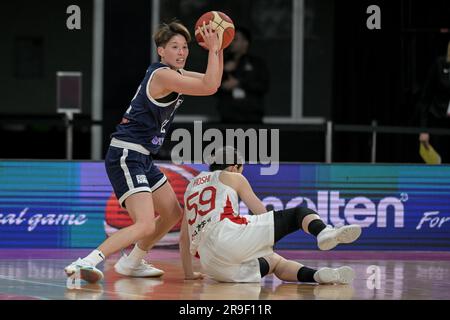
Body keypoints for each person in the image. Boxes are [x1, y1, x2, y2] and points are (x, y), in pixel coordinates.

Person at [64, 20, 224, 283]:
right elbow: (208, 85)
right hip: (126, 154)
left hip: (143, 157)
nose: (181, 52)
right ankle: (87, 262)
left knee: (172, 213)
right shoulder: (163, 75)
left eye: (185, 47)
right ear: (161, 51)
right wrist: (215, 49)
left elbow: (212, 83)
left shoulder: (175, 74)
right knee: (145, 223)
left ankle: (133, 262)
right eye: (175, 47)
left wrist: (218, 48)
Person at [179, 147, 362, 284]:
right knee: (298, 213)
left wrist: (189, 274)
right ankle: (323, 232)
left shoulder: (191, 187)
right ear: (235, 167)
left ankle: (318, 276)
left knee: (274, 262)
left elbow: (184, 240)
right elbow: (262, 213)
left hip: (212, 265)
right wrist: (267, 237)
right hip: (227, 237)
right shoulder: (233, 176)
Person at [216, 27, 270, 124]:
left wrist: (239, 83)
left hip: (252, 118)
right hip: (228, 118)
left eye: (235, 39)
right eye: (231, 40)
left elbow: (263, 86)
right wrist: (223, 72)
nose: (231, 43)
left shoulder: (257, 63)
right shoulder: (223, 63)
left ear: (246, 42)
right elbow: (212, 88)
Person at [418, 40, 450, 163]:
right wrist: (423, 130)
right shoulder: (439, 64)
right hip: (438, 123)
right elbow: (425, 99)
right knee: (438, 165)